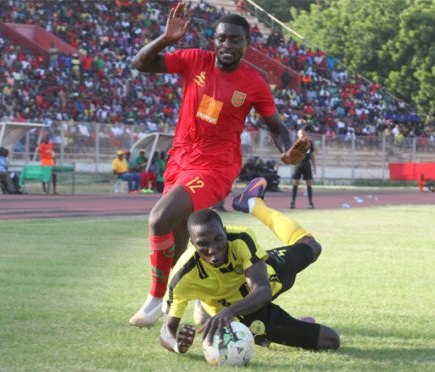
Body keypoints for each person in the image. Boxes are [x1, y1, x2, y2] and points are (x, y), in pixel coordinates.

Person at [129, 3, 310, 327]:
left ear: (246, 44)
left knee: (158, 219)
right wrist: (166, 38)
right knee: (181, 235)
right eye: (222, 39)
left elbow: (277, 128)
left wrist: (288, 151)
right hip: (180, 160)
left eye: (235, 40)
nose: (227, 45)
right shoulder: (194, 60)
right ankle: (202, 297)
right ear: (214, 41)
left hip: (216, 167)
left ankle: (156, 300)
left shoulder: (253, 83)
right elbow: (141, 63)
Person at [159, 178, 340, 354]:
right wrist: (177, 345)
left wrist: (229, 311)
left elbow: (262, 291)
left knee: (312, 247)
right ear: (193, 243)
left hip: (266, 276)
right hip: (245, 314)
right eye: (203, 244)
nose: (213, 249)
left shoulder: (240, 238)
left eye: (218, 239)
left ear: (225, 232)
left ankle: (254, 204)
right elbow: (166, 331)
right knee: (330, 340)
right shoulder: (183, 276)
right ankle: (284, 328)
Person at [290, 127, 316, 209]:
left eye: (303, 134)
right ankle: (293, 203)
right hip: (298, 164)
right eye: (300, 134)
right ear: (298, 135)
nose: (302, 135)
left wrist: (314, 166)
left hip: (306, 164)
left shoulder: (309, 143)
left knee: (309, 183)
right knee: (295, 183)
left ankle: (310, 203)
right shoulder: (295, 144)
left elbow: (312, 155)